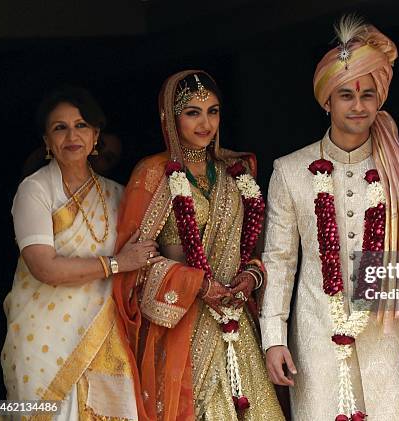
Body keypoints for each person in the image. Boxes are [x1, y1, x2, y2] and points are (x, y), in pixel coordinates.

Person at [260, 15, 399, 420]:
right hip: (316, 339)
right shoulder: (290, 171)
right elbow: (279, 261)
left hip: (391, 343)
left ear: (379, 98)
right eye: (346, 95)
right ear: (326, 100)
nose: (358, 106)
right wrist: (273, 338)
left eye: (367, 94)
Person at [112, 70, 285, 420]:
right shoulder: (152, 173)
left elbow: (252, 248)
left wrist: (252, 275)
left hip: (235, 317)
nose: (206, 123)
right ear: (170, 117)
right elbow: (135, 262)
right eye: (193, 112)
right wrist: (197, 284)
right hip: (183, 324)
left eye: (213, 111)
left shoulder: (233, 170)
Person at [2, 86, 157, 419]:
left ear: (96, 135)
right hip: (43, 343)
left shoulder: (118, 195)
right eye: (60, 127)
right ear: (47, 140)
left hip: (105, 337)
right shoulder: (35, 190)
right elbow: (45, 268)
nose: (72, 135)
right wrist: (117, 264)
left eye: (81, 125)